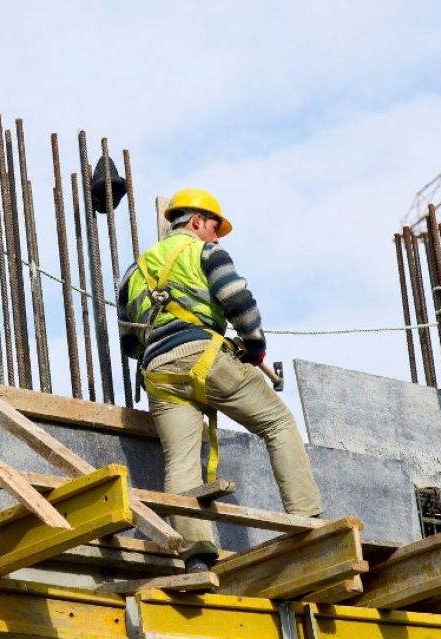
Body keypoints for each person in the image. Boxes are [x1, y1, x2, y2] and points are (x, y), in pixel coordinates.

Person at [117, 188, 322, 572]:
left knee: (180, 462)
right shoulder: (205, 252)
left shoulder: (133, 272)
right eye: (214, 227)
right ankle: (308, 519)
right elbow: (238, 301)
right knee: (278, 423)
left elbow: (129, 342)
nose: (217, 236)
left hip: (158, 372)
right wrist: (255, 347)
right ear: (195, 221)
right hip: (205, 357)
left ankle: (196, 555)